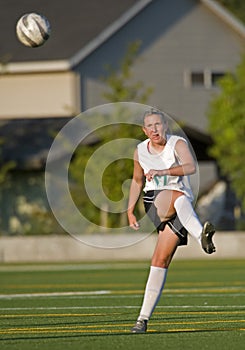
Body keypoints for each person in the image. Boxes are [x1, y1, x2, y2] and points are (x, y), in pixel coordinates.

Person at [127, 108, 215, 333]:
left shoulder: (177, 143)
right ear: (144, 130)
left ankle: (142, 319)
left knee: (160, 260)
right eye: (150, 126)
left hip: (180, 209)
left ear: (165, 126)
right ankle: (200, 236)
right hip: (155, 201)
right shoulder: (139, 151)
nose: (154, 129)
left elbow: (190, 167)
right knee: (178, 196)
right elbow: (137, 181)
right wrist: (129, 210)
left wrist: (163, 170)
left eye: (158, 124)